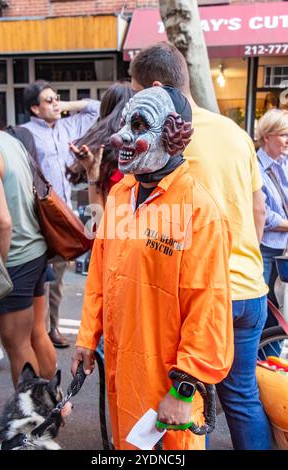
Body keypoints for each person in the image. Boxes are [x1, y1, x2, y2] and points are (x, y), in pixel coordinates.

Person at [71, 86, 234, 450]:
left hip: (167, 387)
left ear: (173, 137)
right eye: (125, 122)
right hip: (120, 369)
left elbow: (208, 308)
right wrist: (86, 336)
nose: (120, 136)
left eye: (140, 124)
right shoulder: (120, 194)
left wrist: (185, 387)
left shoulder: (199, 211)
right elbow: (99, 271)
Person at [129, 42, 272, 450]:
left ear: (155, 88)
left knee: (179, 402)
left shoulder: (164, 143)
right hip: (249, 290)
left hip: (198, 299)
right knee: (241, 398)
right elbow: (257, 208)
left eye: (137, 90)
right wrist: (243, 258)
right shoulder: (233, 131)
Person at [22, 80, 100, 348]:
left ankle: (52, 327)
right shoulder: (25, 133)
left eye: (57, 98)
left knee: (57, 280)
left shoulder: (69, 126)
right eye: (48, 100)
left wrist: (64, 105)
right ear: (34, 108)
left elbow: (96, 109)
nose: (55, 103)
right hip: (38, 216)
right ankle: (37, 331)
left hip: (64, 217)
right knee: (38, 278)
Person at [0, 79, 56, 387]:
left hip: (12, 258)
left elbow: (1, 222)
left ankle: (31, 424)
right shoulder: (10, 140)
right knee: (36, 333)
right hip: (36, 250)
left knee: (17, 347)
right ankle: (54, 408)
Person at [67, 81, 134, 225]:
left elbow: (100, 221)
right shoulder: (141, 152)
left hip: (109, 233)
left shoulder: (101, 150)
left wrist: (93, 177)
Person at [256, 109, 288, 316]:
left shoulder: (284, 163)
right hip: (266, 248)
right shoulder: (255, 166)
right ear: (267, 136)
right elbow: (263, 214)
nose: (287, 140)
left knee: (282, 307)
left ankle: (273, 347)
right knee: (267, 309)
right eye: (284, 135)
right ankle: (265, 348)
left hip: (284, 247)